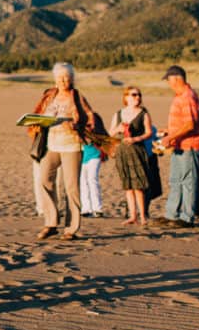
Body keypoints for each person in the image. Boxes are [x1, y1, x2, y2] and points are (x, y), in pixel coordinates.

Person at [30, 62, 96, 241]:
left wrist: (77, 125)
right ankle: (51, 222)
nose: (63, 81)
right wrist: (36, 123)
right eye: (60, 78)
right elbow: (38, 113)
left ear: (72, 79)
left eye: (67, 77)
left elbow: (90, 118)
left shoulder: (77, 97)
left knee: (71, 187)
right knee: (44, 179)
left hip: (72, 145)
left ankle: (71, 228)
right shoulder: (49, 96)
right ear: (55, 80)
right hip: (51, 144)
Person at [157, 66, 199, 228]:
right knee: (176, 180)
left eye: (169, 80)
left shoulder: (188, 97)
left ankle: (186, 216)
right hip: (179, 145)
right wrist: (169, 131)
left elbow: (190, 124)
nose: (169, 84)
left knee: (187, 181)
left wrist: (171, 136)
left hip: (189, 146)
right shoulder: (181, 96)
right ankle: (172, 214)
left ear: (176, 78)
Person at [108, 86, 152, 225]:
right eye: (134, 95)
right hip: (122, 151)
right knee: (127, 185)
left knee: (138, 185)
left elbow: (149, 132)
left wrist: (136, 139)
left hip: (137, 150)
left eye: (139, 95)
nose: (137, 97)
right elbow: (110, 133)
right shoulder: (118, 114)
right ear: (126, 97)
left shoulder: (143, 113)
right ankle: (132, 216)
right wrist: (118, 129)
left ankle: (143, 216)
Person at [79, 140, 104, 218]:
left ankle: (97, 209)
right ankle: (86, 209)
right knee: (83, 182)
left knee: (92, 180)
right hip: (81, 157)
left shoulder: (96, 128)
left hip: (94, 155)